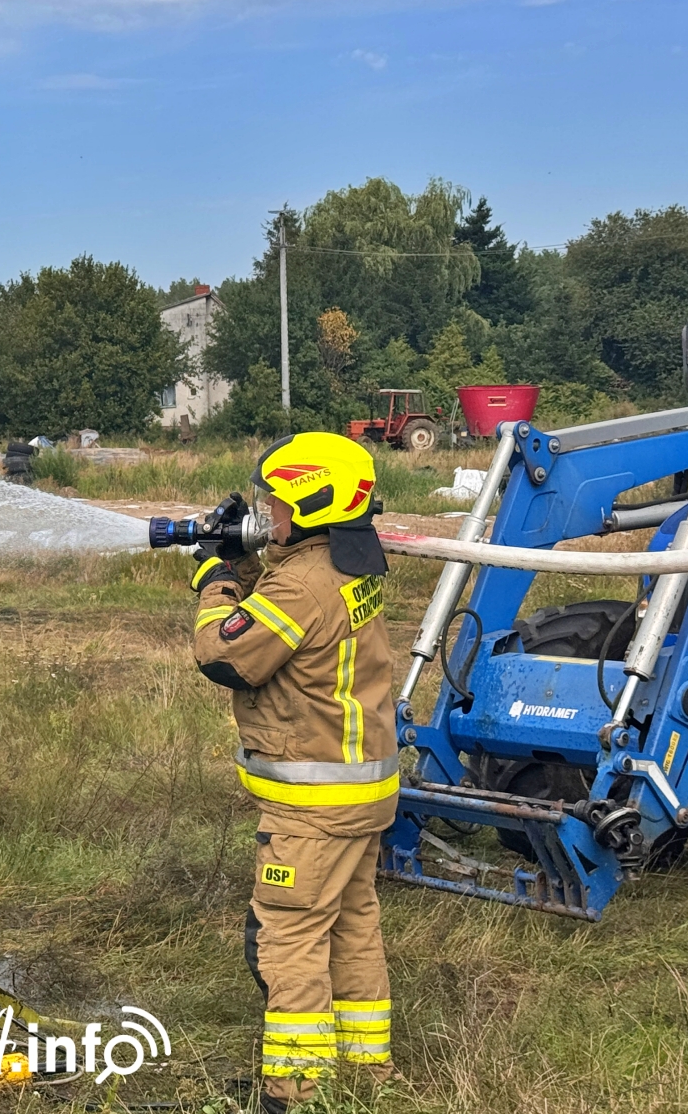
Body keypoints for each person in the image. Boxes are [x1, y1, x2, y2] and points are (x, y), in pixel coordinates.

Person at [188, 432, 397, 1112]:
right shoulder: (346, 561)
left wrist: (216, 582)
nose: (264, 512)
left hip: (312, 808)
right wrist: (246, 559)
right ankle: (366, 1078)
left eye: (274, 502)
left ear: (312, 503)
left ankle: (298, 1093)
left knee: (290, 941)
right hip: (359, 791)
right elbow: (288, 599)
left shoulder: (301, 586)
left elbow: (226, 654)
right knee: (351, 925)